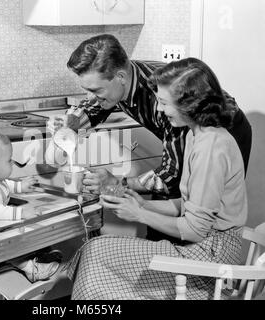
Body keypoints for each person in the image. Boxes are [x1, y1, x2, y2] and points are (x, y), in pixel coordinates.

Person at [65, 57, 248, 300]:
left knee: (97, 253)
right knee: (95, 253)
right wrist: (142, 204)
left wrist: (140, 214)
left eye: (163, 103)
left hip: (212, 257)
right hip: (204, 249)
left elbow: (195, 229)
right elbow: (188, 204)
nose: (159, 110)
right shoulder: (196, 135)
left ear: (189, 105)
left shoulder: (211, 149)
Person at [48, 34, 252, 243]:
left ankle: (199, 264)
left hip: (226, 125)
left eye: (95, 90)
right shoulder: (122, 80)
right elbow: (97, 105)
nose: (91, 97)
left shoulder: (166, 104)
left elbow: (170, 175)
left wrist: (119, 182)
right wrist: (73, 122)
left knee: (195, 214)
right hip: (190, 134)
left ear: (120, 77)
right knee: (179, 204)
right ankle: (169, 258)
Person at [0, 131, 60, 282]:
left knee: (18, 233)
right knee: (11, 243)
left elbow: (6, 184)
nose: (13, 163)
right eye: (9, 161)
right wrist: (20, 213)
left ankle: (38, 256)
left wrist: (22, 186)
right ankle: (31, 268)